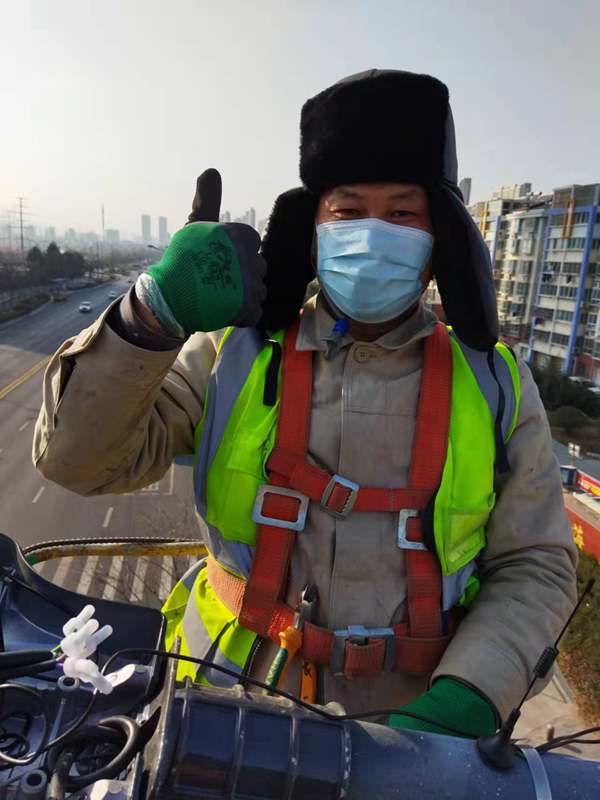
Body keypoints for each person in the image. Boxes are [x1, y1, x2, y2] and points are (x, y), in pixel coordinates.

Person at [33, 69, 576, 737]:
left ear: (440, 240)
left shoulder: (496, 383)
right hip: (218, 700)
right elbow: (78, 463)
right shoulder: (231, 352)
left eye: (402, 214)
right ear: (313, 229)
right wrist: (150, 316)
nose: (373, 235)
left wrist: (474, 692)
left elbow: (536, 562)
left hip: (409, 727)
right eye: (347, 211)